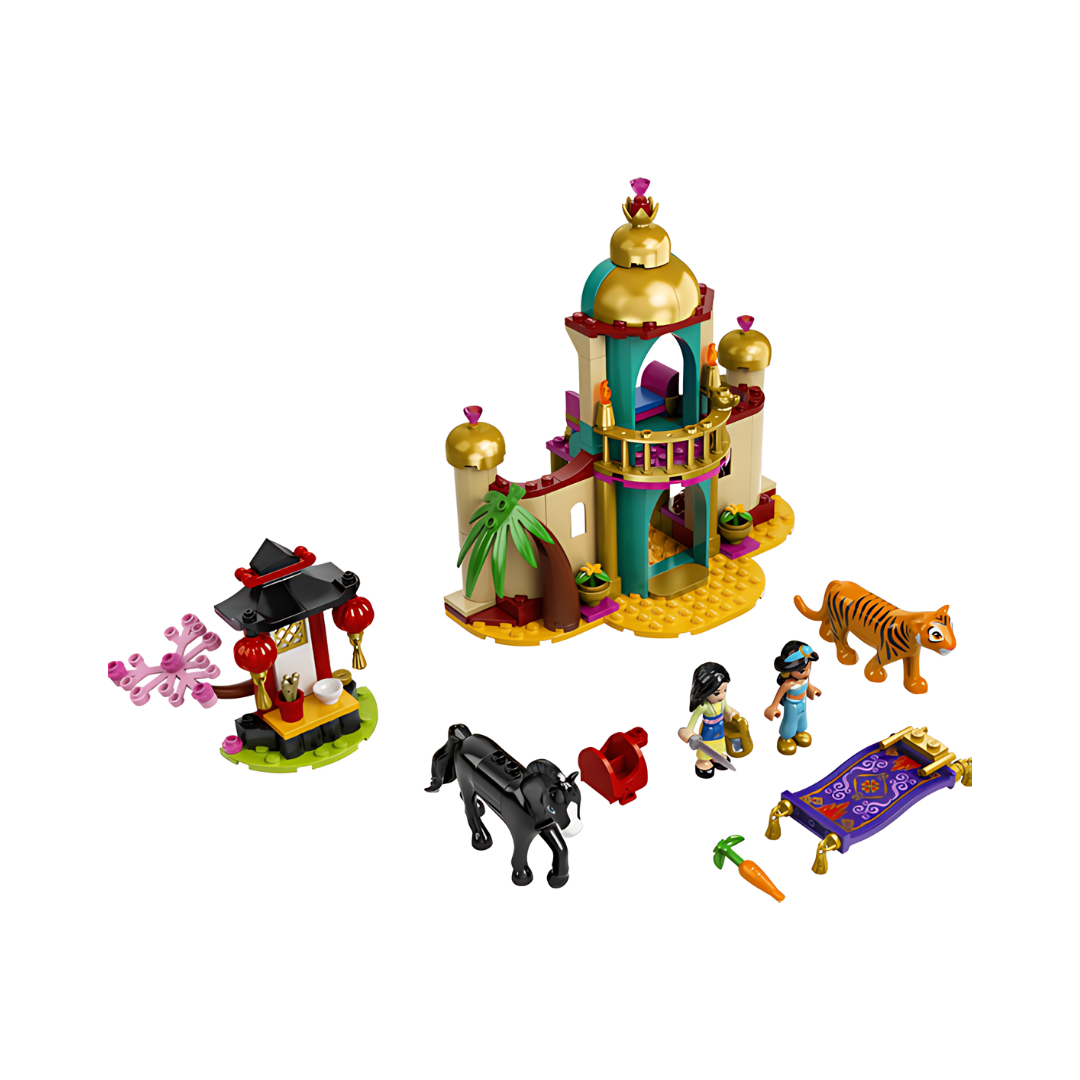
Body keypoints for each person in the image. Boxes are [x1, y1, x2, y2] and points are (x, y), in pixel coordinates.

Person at [678, 662, 743, 779]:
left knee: (720, 743)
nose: (722, 695)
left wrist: (733, 716)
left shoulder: (722, 701)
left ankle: (717, 755)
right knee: (706, 747)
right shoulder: (703, 707)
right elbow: (691, 723)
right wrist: (688, 732)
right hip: (708, 731)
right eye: (717, 692)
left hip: (720, 728)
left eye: (725, 690)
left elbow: (727, 710)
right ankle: (703, 761)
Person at [764, 641, 822, 755]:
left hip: (802, 701)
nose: (807, 672)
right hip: (791, 704)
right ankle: (785, 738)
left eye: (809, 668)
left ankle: (800, 732)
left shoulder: (804, 678)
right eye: (802, 670)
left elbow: (807, 684)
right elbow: (779, 694)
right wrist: (773, 707)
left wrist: (812, 689)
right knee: (790, 721)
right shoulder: (789, 683)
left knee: (802, 719)